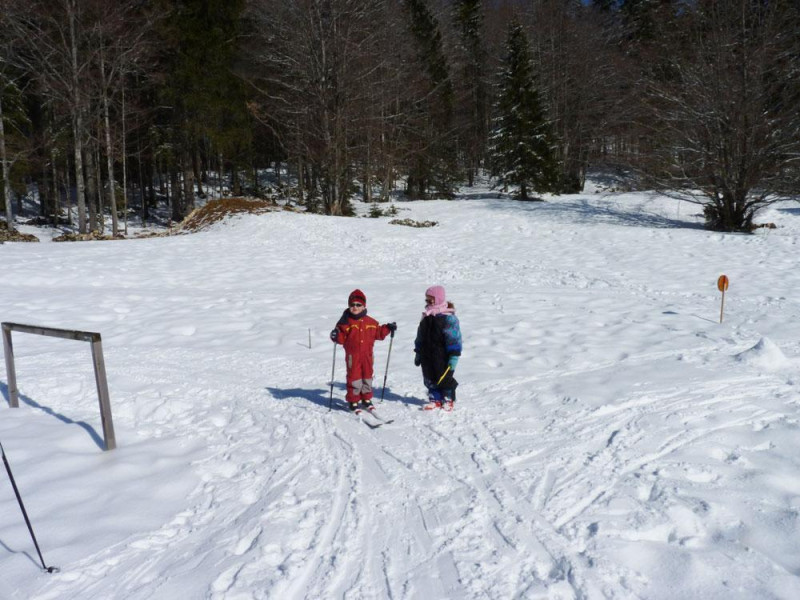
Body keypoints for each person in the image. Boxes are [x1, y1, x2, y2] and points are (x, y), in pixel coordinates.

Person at [330, 289, 396, 413]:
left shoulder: (370, 322)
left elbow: (379, 333)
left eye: (358, 305)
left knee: (367, 376)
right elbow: (341, 338)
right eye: (352, 305)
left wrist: (388, 328)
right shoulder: (345, 322)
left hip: (367, 356)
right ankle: (353, 400)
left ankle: (366, 398)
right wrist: (335, 335)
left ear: (364, 306)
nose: (355, 307)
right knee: (354, 377)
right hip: (352, 356)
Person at [414, 285, 462, 410]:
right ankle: (434, 399)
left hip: (443, 354)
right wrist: (418, 351)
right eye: (427, 300)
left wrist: (454, 356)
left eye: (431, 300)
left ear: (439, 299)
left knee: (444, 377)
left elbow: (454, 337)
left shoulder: (448, 318)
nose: (428, 302)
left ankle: (447, 399)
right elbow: (420, 334)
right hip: (427, 353)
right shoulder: (426, 316)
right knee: (429, 377)